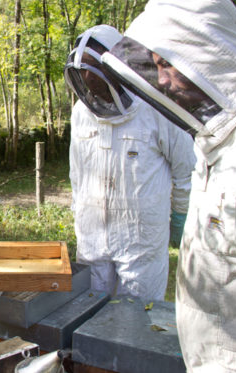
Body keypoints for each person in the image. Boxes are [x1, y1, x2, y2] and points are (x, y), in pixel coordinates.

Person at [100, 0, 236, 371]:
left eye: (167, 65)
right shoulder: (219, 137)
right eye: (155, 66)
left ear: (205, 50)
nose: (160, 81)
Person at [63, 25, 196, 300]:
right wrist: (78, 210)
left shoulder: (158, 109)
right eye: (83, 74)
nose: (89, 81)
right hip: (92, 238)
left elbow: (187, 170)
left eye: (95, 72)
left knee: (137, 321)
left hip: (141, 241)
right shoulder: (80, 113)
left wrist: (182, 217)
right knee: (89, 315)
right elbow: (77, 171)